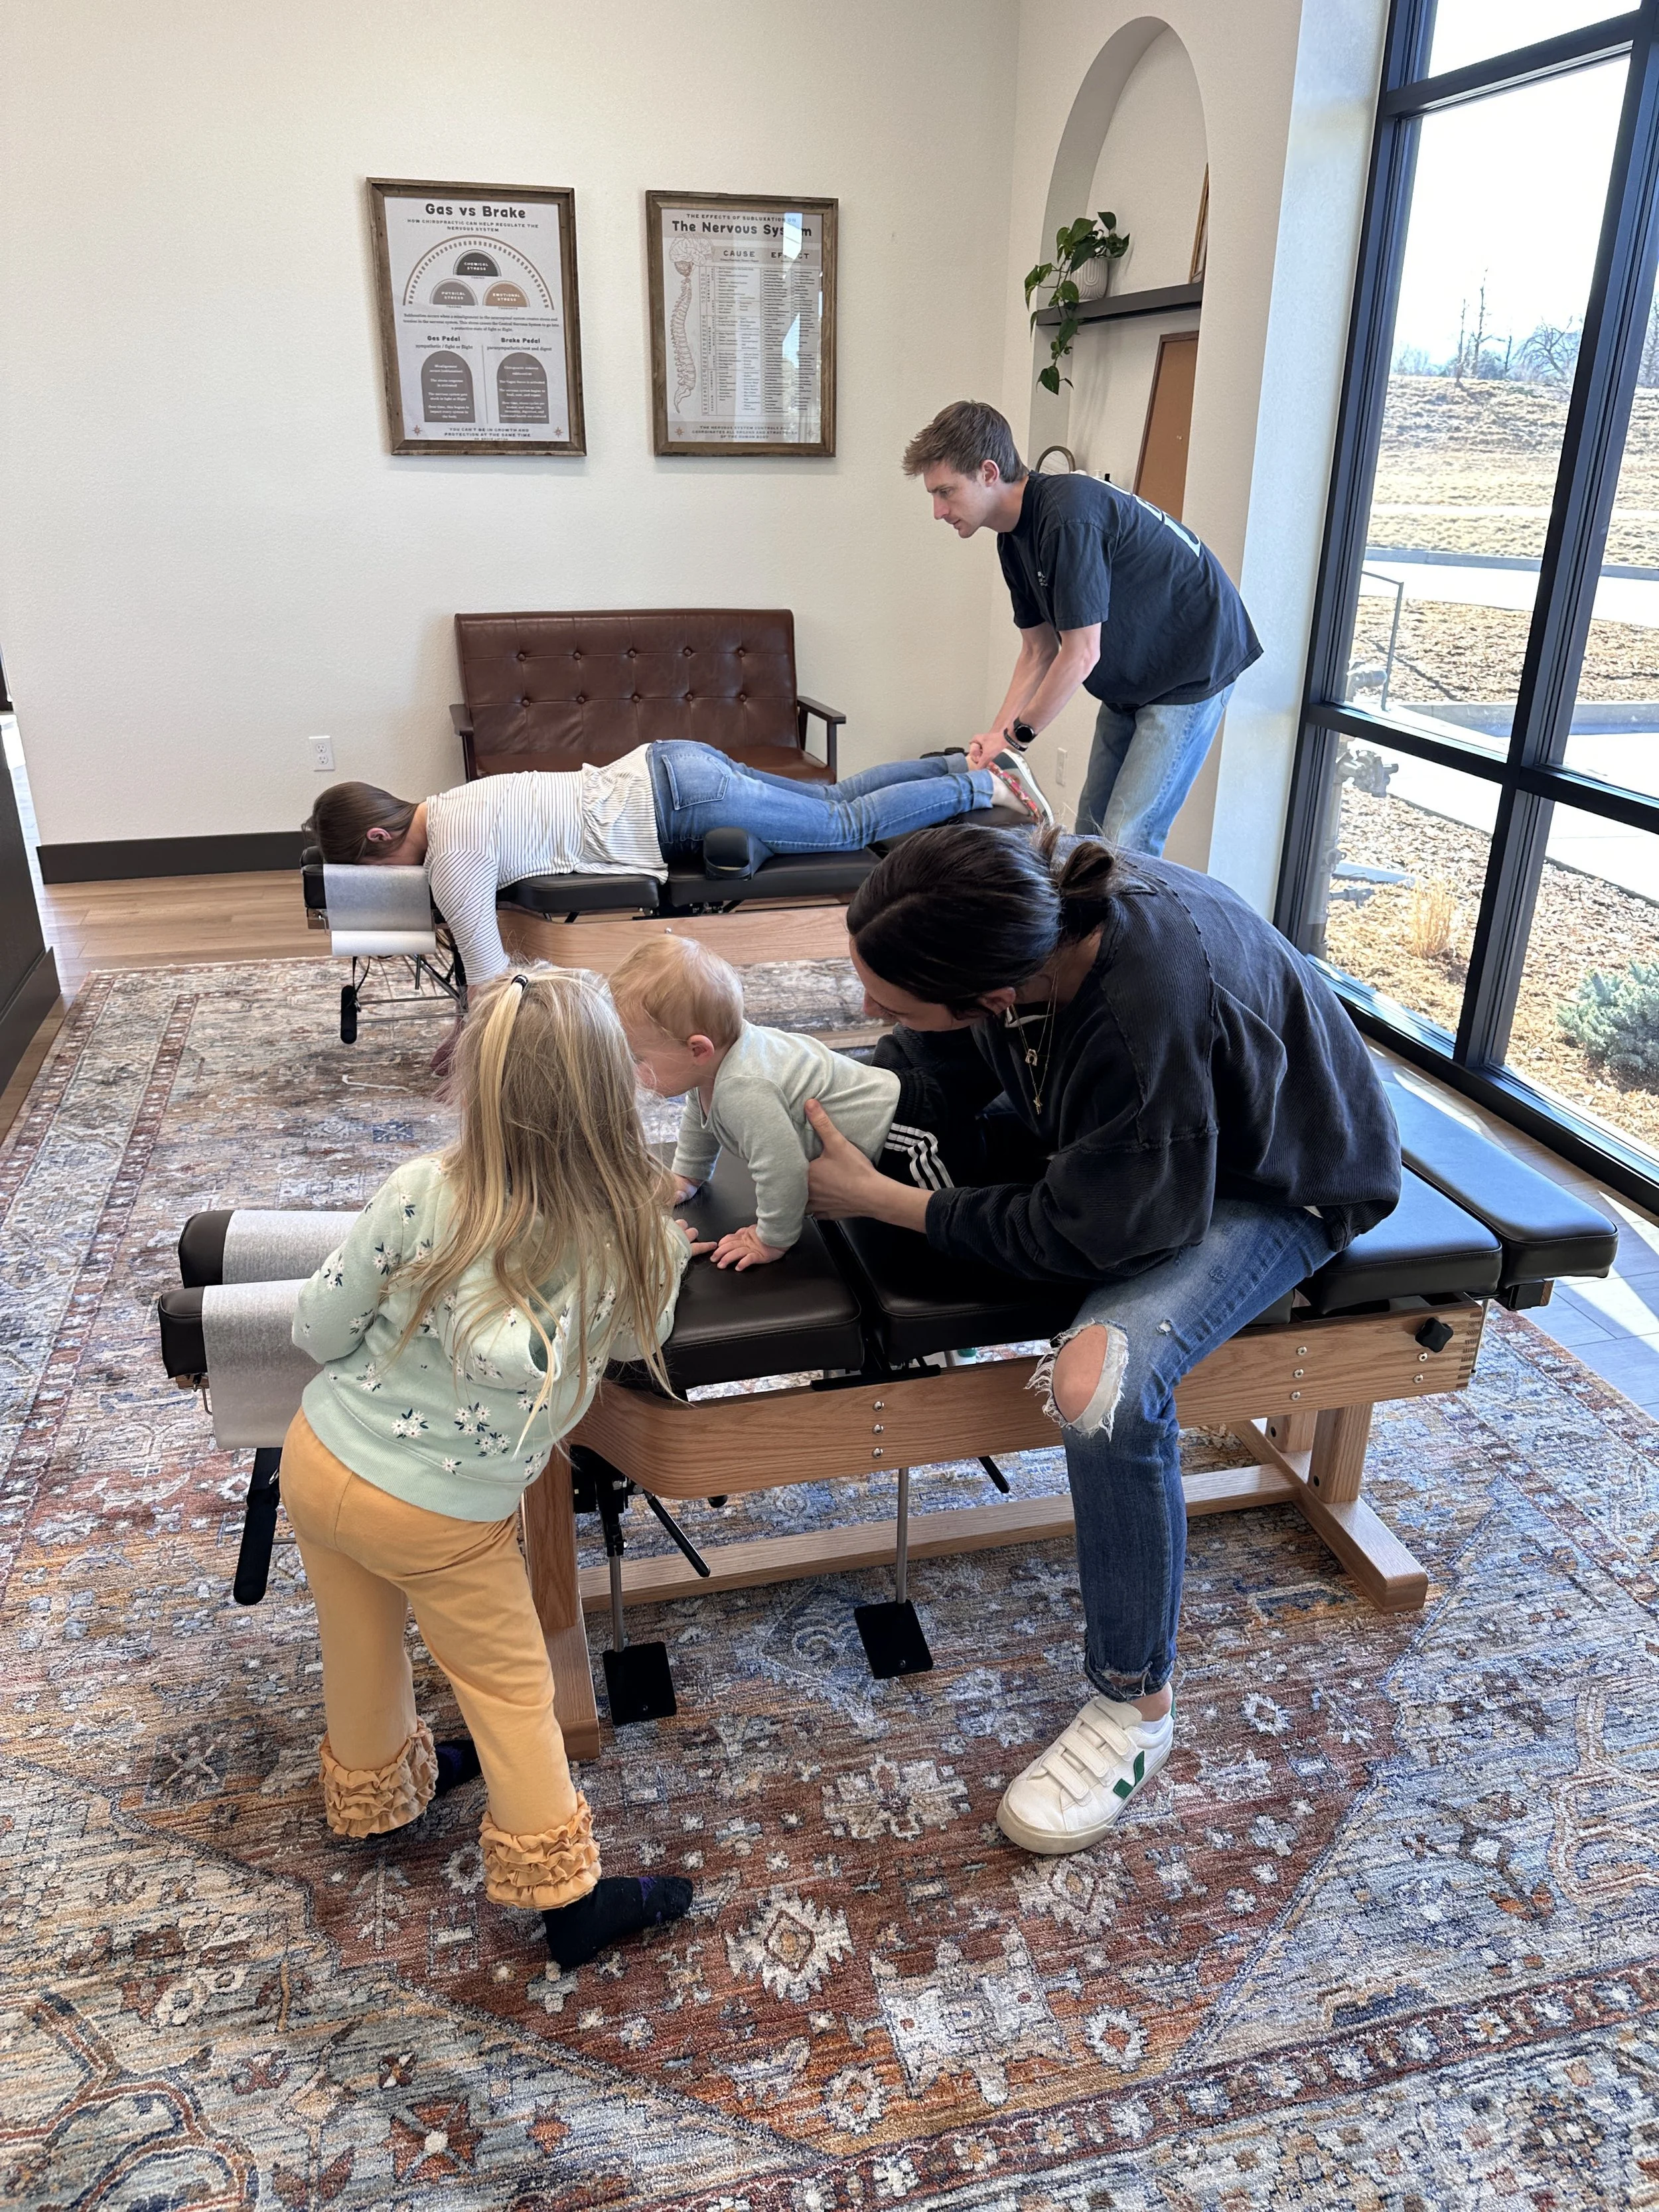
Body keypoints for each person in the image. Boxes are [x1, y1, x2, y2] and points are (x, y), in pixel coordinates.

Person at [800, 824, 1400, 1856]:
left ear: (997, 996)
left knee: (1101, 1382)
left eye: (891, 998)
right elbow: (929, 1058)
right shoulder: (1022, 909)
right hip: (1159, 1142)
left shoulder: (1138, 1014)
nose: (868, 1011)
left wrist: (887, 1203)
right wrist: (826, 1099)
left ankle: (1135, 1706)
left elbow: (1096, 1230)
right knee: (900, 1122)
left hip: (1278, 1181)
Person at [279, 966, 697, 1969]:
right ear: (619, 1094)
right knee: (512, 1693)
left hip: (321, 1457)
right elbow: (644, 1337)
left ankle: (377, 1793)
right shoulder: (635, 1238)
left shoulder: (422, 1190)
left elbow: (314, 1326)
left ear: (478, 1083)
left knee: (360, 1633)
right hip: (447, 1513)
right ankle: (569, 1899)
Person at [306, 737, 1052, 998]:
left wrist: (473, 1031)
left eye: (373, 871)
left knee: (844, 824)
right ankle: (960, 763)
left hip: (674, 808)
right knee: (836, 801)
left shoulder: (452, 856)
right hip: (670, 766)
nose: (388, 886)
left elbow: (493, 979)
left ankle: (984, 786)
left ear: (379, 838)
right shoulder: (455, 801)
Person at [902, 400, 1262, 856]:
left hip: (1192, 662)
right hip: (1131, 673)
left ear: (989, 472)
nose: (938, 510)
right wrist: (995, 748)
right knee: (1091, 833)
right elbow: (1038, 651)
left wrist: (1016, 740)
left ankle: (1127, 929)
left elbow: (1080, 653)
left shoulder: (1067, 517)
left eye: (946, 492)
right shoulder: (1012, 542)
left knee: (1127, 838)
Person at [611, 933, 980, 1272]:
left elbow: (783, 1168)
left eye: (637, 1059)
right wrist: (689, 1174)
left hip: (910, 1131)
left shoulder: (744, 1089)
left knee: (938, 1226)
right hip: (896, 1111)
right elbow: (698, 1112)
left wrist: (771, 1238)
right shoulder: (713, 1063)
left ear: (697, 1049)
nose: (630, 1070)